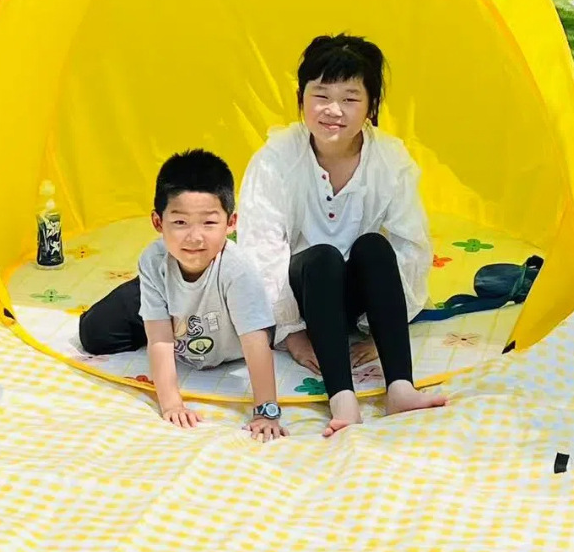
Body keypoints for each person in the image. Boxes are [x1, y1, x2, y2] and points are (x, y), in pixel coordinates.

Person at [237, 34, 446, 437]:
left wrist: (383, 328)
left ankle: (400, 388)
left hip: (356, 296)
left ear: (371, 106)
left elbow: (411, 246)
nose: (333, 111)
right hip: (303, 292)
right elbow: (261, 250)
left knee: (374, 246)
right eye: (321, 95)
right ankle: (342, 399)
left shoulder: (390, 158)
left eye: (350, 98)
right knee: (322, 257)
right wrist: (291, 332)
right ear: (301, 99)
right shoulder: (275, 159)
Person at [78, 150, 286, 441]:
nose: (194, 237)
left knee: (256, 325)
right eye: (180, 223)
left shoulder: (238, 270)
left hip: (223, 308)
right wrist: (171, 403)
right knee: (94, 333)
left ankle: (167, 304)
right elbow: (160, 338)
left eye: (209, 223)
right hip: (169, 283)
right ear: (158, 223)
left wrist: (266, 411)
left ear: (231, 223)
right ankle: (154, 301)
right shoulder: (153, 259)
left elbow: (255, 344)